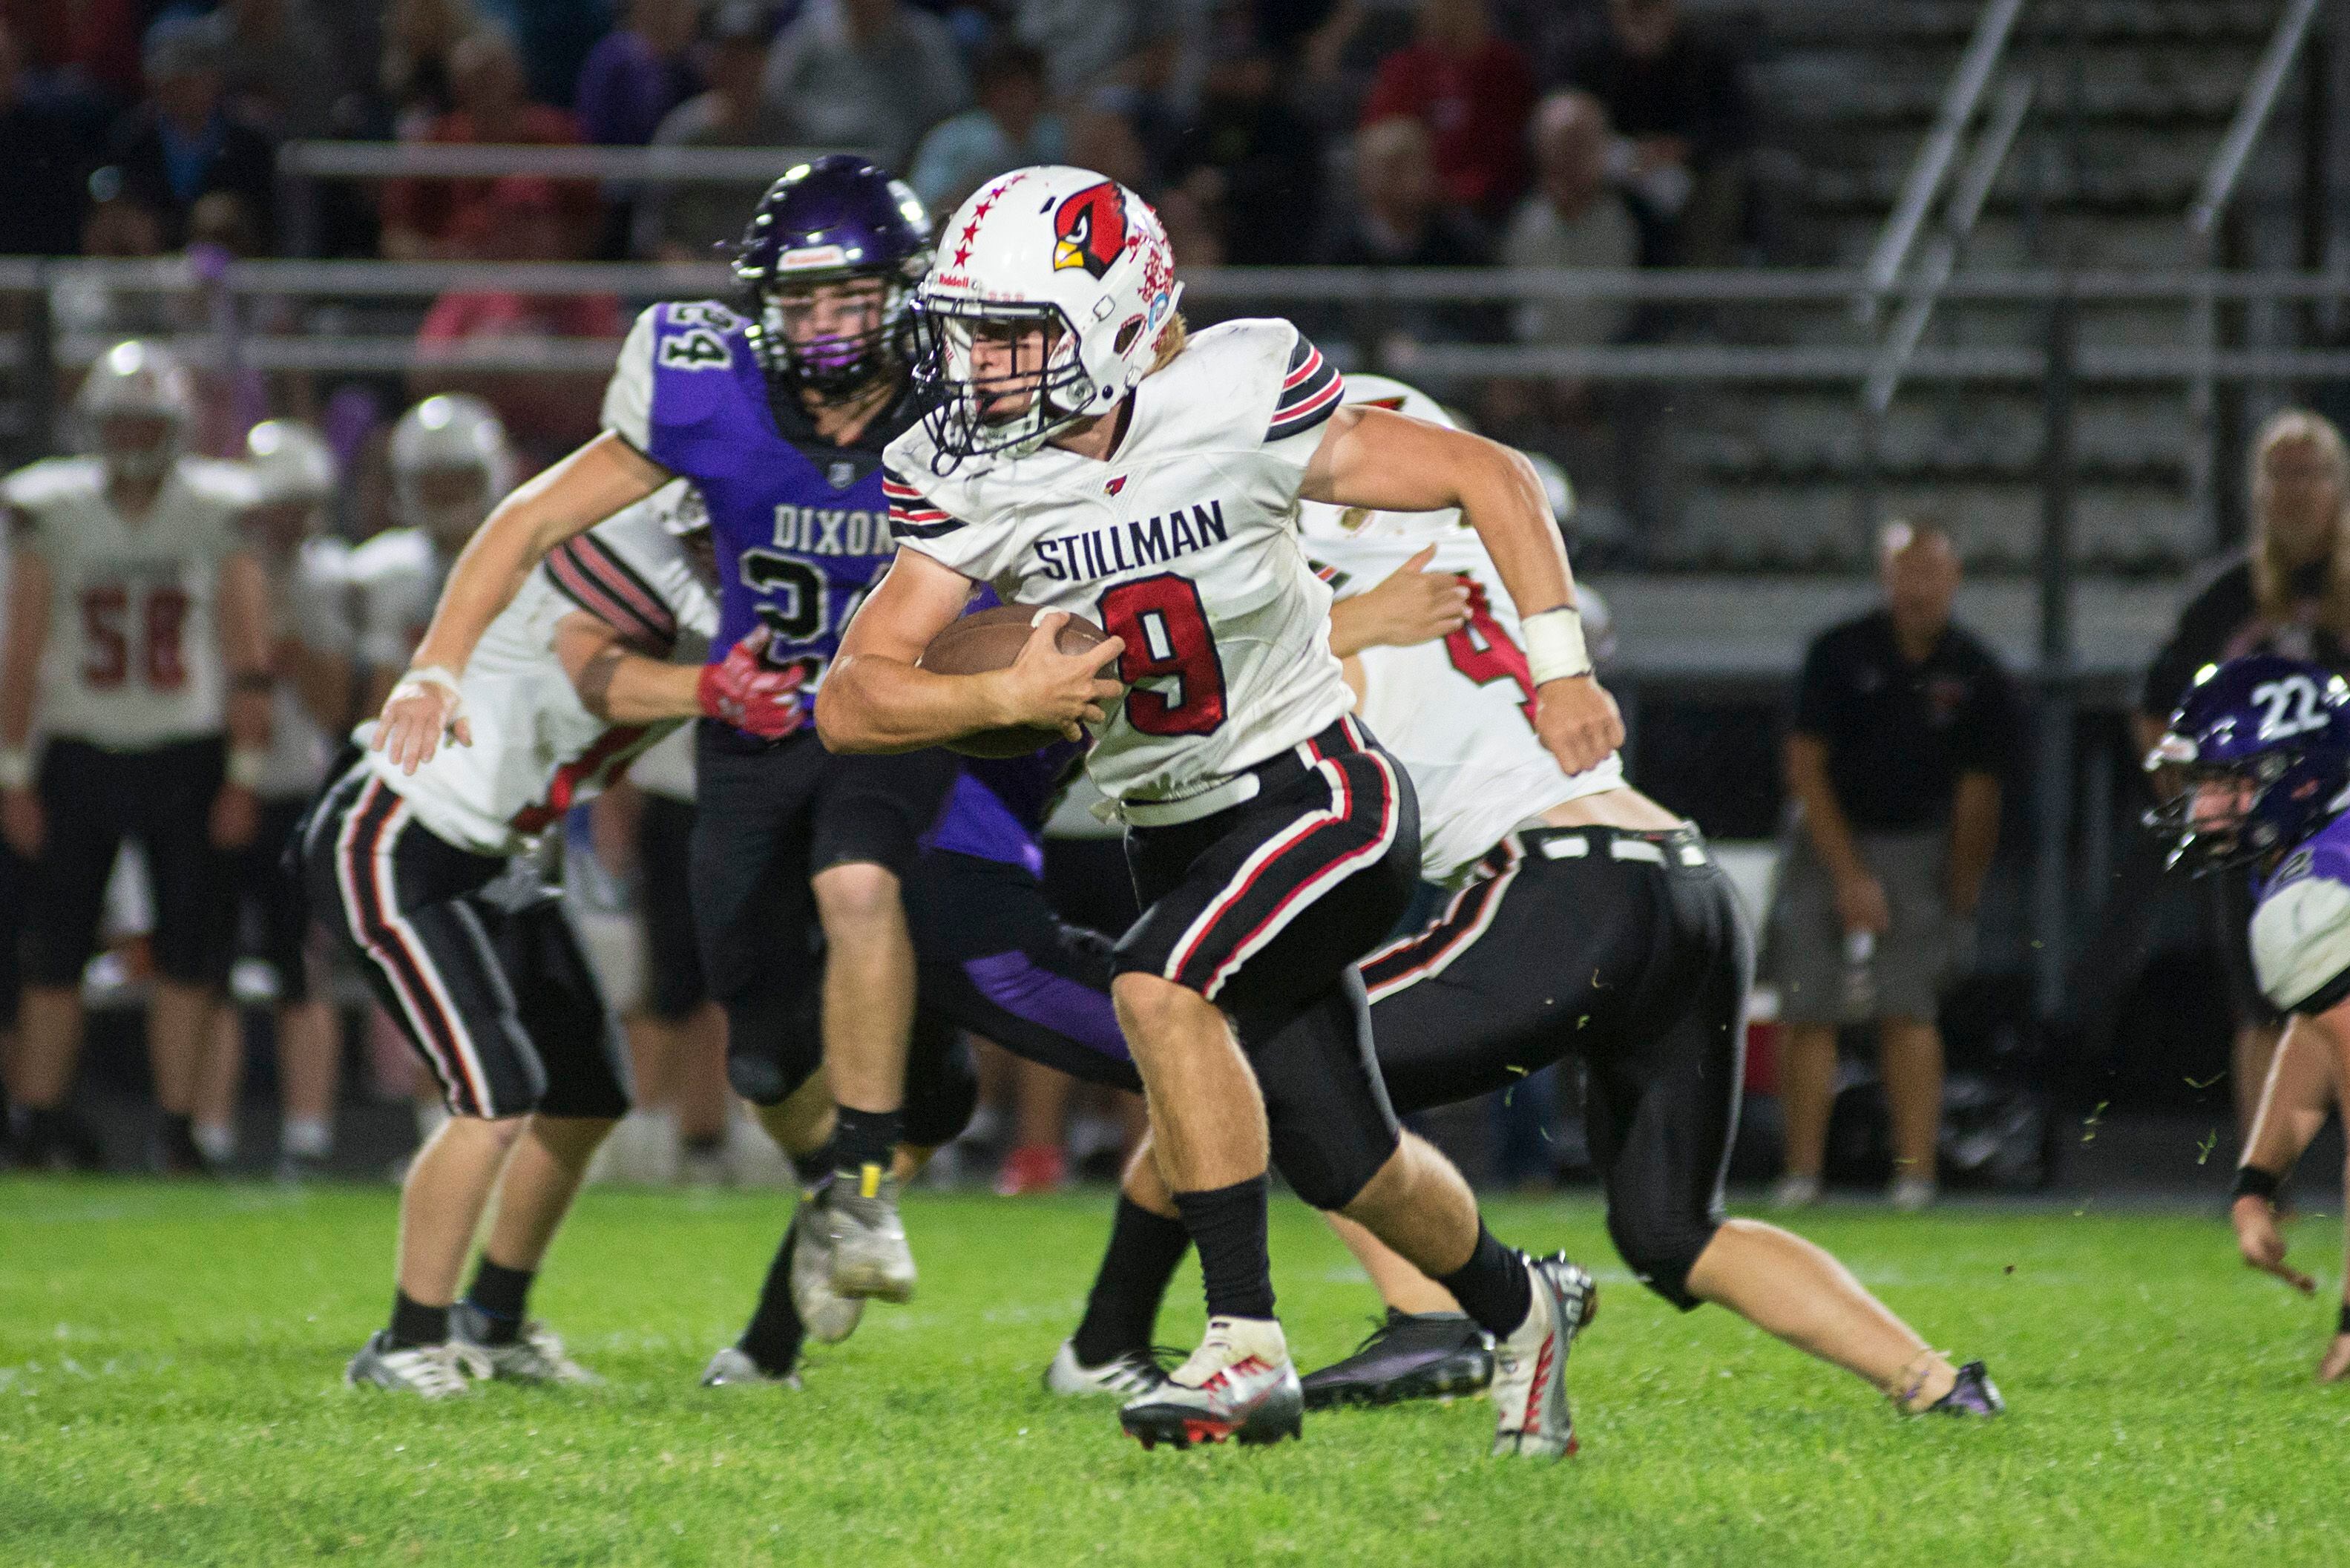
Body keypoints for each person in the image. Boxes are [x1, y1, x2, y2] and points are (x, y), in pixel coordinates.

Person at [822, 165, 1621, 1457]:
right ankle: (1525, 1309)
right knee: (1349, 1162)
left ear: (1121, 318)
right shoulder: (971, 469)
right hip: (1176, 834)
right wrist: (998, 688)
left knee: (1153, 987)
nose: (981, 366)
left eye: (1015, 332)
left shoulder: (1239, 388)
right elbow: (853, 696)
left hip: (1321, 793)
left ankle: (1241, 1345)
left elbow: (1491, 474)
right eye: (973, 333)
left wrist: (1563, 666)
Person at [1045, 374, 2005, 1420]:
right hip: (1681, 885)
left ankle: (1435, 1315)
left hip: (1559, 888)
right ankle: (1934, 1380)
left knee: (1259, 1065)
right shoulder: (1489, 568)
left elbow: (1299, 743)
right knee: (1675, 1233)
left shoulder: (1320, 599)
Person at [367, 158, 958, 1326]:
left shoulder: (963, 407)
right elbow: (528, 517)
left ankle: (868, 1182)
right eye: (800, 302)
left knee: (856, 886)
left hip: (889, 708)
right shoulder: (707, 391)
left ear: (906, 294)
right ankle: (821, 1180)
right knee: (757, 1054)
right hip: (755, 733)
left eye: (851, 298)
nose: (827, 328)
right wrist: (437, 658)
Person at [315, 482, 801, 1397]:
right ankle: (405, 1341)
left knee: (585, 1091)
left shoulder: (734, 595)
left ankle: (493, 1322)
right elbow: (591, 666)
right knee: (494, 1095)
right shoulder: (636, 546)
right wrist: (714, 689)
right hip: (403, 827)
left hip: (492, 849)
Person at [0, 341, 272, 1173]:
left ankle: (179, 1126)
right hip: (77, 749)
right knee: (55, 948)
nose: (130, 435)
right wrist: (13, 772)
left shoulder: (213, 506)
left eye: (144, 420)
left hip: (185, 751)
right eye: (118, 419)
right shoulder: (58, 508)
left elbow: (245, 640)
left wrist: (243, 771)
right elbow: (24, 646)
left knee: (189, 951)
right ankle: (41, 1117)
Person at [1766, 521, 2015, 1212]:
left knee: (1908, 1005)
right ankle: (1801, 1172)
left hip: (1917, 844)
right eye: (1905, 571)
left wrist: (1959, 887)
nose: (1918, 587)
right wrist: (1848, 874)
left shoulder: (1976, 671)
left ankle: (1915, 1174)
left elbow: (1978, 796)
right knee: (1806, 1002)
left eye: (1931, 571)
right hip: (1825, 833)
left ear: (1955, 578)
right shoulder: (1838, 652)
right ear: (1884, 577)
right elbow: (1804, 769)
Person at [2139, 409, 2350, 1147]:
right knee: (2262, 1007)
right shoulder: (2222, 598)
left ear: (2337, 484)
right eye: (2279, 474)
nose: (2294, 491)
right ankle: (2269, 1177)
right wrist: (2200, 806)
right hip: (2258, 833)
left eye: (2309, 473)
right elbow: (2157, 712)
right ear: (2256, 489)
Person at [2144, 655, 2350, 1382]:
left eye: (2225, 784)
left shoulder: (2313, 898)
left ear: (2295, 775)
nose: (2202, 810)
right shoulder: (2318, 855)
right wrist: (2254, 1184)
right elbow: (2322, 1034)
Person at [192, 419, 352, 1178]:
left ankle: (309, 1137)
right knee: (209, 963)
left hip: (293, 786)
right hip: (215, 781)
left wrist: (287, 654)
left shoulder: (320, 581)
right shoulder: (210, 566)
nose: (285, 520)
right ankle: (208, 1132)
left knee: (299, 968)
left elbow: (335, 709)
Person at [1558, 0, 1755, 267]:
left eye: (1650, 7)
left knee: (1721, 186)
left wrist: (1680, 149)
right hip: (1613, 175)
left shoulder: (1707, 56)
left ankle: (1697, 296)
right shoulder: (1592, 58)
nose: (1643, 16)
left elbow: (1735, 127)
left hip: (1691, 175)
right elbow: (1567, 121)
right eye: (1634, 9)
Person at [378, 27, 593, 263]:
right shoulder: (436, 142)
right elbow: (395, 238)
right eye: (472, 81)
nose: (485, 91)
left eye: (492, 77)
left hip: (542, 287)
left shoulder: (556, 136)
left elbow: (589, 229)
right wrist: (454, 261)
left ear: (517, 78)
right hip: (456, 286)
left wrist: (530, 261)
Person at [102, 17, 278, 254]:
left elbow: (263, 217)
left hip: (232, 268)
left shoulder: (248, 140)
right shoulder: (136, 137)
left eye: (188, 80)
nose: (179, 92)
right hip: (155, 263)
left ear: (213, 79)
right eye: (169, 82)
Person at [634, 2, 792, 262]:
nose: (740, 68)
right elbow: (652, 235)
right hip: (694, 288)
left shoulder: (791, 134)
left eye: (750, 54)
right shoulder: (682, 134)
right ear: (711, 60)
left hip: (771, 282)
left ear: (766, 60)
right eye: (730, 54)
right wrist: (689, 273)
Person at [1359, 0, 1535, 224]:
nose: (1449, 15)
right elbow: (1377, 143)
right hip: (1412, 208)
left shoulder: (1507, 69)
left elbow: (1514, 151)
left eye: (1458, 6)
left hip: (1492, 208)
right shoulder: (1403, 71)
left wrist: (1463, 189)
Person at [760, 0, 970, 172]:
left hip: (901, 172)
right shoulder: (807, 38)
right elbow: (772, 100)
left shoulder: (924, 40)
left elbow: (951, 110)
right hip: (812, 170)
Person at [906, 38, 1065, 219]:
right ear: (986, 94)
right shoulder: (951, 141)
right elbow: (926, 210)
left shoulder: (1054, 132)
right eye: (1004, 89)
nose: (1014, 100)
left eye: (1020, 88)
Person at [574, 0, 700, 148]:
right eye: (662, 7)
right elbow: (593, 129)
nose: (670, 18)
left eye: (679, 8)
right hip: (617, 162)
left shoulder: (694, 66)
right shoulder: (616, 59)